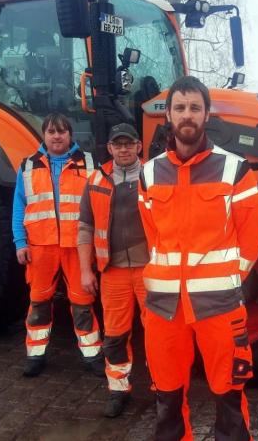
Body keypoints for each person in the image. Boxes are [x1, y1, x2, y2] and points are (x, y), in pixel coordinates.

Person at [138, 76, 258, 441]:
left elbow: (252, 236)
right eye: (180, 108)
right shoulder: (149, 173)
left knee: (229, 395)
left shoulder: (235, 170)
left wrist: (229, 280)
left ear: (207, 114)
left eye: (195, 107)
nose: (187, 115)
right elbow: (152, 235)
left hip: (219, 307)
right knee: (166, 396)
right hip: (164, 309)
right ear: (168, 115)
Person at [12, 113, 104, 378]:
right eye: (51, 131)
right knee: (39, 301)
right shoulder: (27, 166)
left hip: (77, 246)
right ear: (44, 135)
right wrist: (20, 242)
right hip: (41, 245)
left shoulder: (89, 163)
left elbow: (100, 206)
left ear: (70, 135)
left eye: (62, 131)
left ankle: (92, 355)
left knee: (83, 301)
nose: (57, 136)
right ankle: (35, 355)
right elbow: (19, 206)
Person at [78, 123, 149, 418]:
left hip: (150, 270)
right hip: (113, 272)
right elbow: (85, 227)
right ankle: (118, 390)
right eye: (118, 145)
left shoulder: (154, 176)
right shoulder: (95, 179)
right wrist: (85, 271)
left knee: (159, 333)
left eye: (128, 144)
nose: (123, 149)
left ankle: (165, 390)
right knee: (115, 336)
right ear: (109, 148)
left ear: (139, 146)